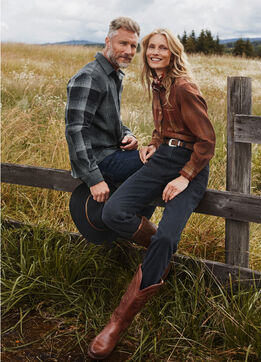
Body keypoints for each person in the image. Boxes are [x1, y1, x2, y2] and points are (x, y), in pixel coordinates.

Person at [88, 28, 216, 360]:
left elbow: (206, 141)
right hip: (162, 160)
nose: (155, 52)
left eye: (162, 48)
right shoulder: (158, 84)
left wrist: (186, 176)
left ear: (173, 52)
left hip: (190, 166)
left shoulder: (184, 87)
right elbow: (165, 128)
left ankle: (117, 323)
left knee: (164, 239)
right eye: (151, 48)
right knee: (113, 212)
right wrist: (155, 142)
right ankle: (160, 256)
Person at [65, 17, 155, 246]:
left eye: (133, 46)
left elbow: (110, 121)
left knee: (159, 159)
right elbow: (76, 130)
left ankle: (124, 223)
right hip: (100, 160)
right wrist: (94, 179)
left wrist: (128, 134)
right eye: (122, 43)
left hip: (113, 152)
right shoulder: (90, 76)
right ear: (107, 41)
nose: (128, 51)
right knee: (159, 164)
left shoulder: (113, 76)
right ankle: (146, 235)